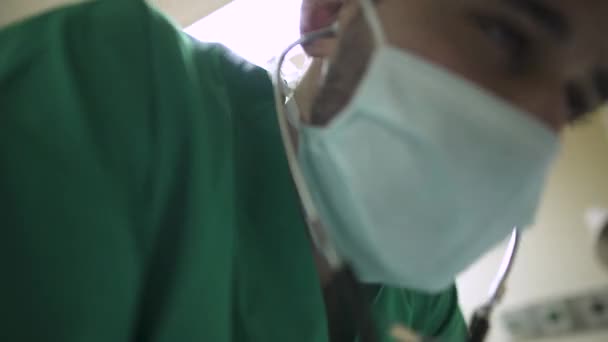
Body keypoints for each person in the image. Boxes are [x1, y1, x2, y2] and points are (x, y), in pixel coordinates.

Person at [0, 0, 606, 341]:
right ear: (334, 9)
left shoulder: (427, 311)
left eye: (575, 103)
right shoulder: (118, 87)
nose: (537, 132)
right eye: (505, 32)